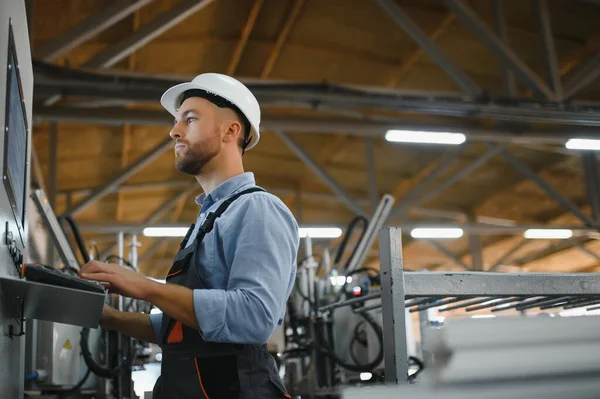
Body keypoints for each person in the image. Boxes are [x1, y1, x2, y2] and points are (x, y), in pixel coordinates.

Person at [80, 73, 299, 398]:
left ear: (230, 130)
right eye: (175, 121)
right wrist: (109, 318)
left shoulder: (257, 209)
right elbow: (182, 328)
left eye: (190, 119)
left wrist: (146, 287)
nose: (174, 131)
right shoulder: (209, 218)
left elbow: (255, 316)